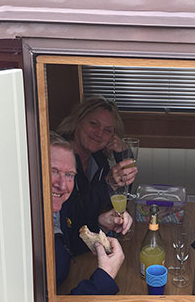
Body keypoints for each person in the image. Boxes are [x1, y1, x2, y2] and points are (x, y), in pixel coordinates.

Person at [49, 132, 130, 295]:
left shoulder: (58, 210)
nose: (62, 185)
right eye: (53, 171)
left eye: (69, 174)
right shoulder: (23, 231)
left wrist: (100, 223)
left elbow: (67, 246)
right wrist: (104, 277)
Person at [57, 96, 138, 255]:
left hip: (88, 245)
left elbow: (119, 200)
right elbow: (71, 216)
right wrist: (108, 184)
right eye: (93, 124)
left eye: (107, 130)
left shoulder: (98, 159)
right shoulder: (60, 156)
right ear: (78, 121)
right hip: (68, 250)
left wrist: (123, 154)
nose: (99, 133)